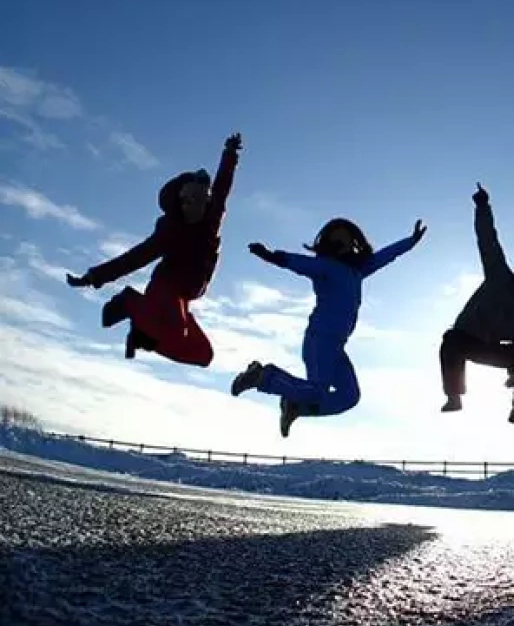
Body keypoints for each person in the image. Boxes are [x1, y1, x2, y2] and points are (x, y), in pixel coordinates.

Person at [230, 217, 427, 437]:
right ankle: (262, 377)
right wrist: (271, 256)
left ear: (354, 244)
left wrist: (410, 241)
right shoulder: (324, 266)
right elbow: (299, 263)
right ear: (328, 245)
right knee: (317, 390)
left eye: (347, 242)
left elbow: (385, 256)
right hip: (320, 339)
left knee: (349, 397)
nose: (343, 246)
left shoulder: (357, 270)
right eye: (337, 242)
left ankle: (296, 406)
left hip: (337, 345)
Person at [66, 133, 243, 365]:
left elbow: (222, 186)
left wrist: (230, 154)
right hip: (165, 289)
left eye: (200, 202)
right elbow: (133, 259)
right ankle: (129, 303)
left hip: (184, 298)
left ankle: (144, 333)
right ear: (180, 204)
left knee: (203, 356)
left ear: (206, 203)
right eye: (189, 203)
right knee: (174, 333)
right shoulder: (170, 231)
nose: (194, 209)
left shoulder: (212, 218)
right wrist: (93, 277)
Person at [439, 184, 514, 426]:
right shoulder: (499, 276)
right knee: (450, 340)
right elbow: (488, 240)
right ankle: (454, 397)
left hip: (489, 349)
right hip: (465, 339)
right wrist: (482, 206)